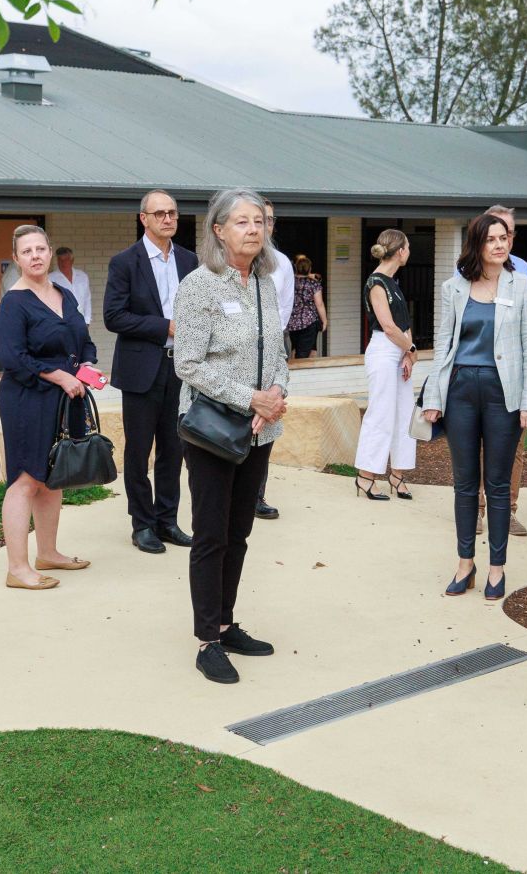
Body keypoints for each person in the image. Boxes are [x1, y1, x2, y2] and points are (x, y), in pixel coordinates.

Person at [175, 187, 290, 684]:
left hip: (259, 431)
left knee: (239, 533)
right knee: (211, 535)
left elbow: (280, 351)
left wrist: (276, 393)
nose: (252, 229)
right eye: (241, 222)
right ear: (218, 230)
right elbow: (187, 364)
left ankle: (226, 622)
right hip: (212, 431)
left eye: (258, 222)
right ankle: (206, 641)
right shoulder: (200, 285)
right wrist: (250, 398)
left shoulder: (266, 283)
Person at [422, 213, 527, 602]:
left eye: (504, 237)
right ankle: (464, 564)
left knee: (498, 484)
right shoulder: (453, 288)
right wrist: (433, 398)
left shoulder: (522, 287)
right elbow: (443, 346)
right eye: (491, 239)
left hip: (502, 392)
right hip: (460, 390)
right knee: (463, 483)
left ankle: (496, 569)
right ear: (477, 244)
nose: (499, 244)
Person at [0, 225, 96, 590]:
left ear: (50, 252)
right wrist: (59, 376)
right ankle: (17, 568)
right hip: (27, 397)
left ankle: (48, 552)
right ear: (18, 259)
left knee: (52, 476)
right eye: (27, 251)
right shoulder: (14, 302)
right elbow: (12, 357)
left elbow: (83, 338)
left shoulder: (64, 293)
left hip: (64, 396)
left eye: (41, 249)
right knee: (26, 480)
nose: (35, 256)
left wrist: (87, 369)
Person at [104, 190, 198, 555]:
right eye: (159, 213)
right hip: (142, 368)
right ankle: (142, 524)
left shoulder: (189, 260)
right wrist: (165, 327)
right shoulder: (124, 262)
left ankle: (167, 520)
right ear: (143, 218)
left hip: (183, 368)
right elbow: (114, 316)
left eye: (172, 213)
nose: (167, 219)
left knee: (174, 449)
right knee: (139, 451)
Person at [474, 204, 527, 536]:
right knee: (479, 445)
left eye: (509, 233)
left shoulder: (524, 273)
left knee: (515, 448)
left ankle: (509, 510)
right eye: (496, 234)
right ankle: (478, 509)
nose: (503, 241)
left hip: (513, 376)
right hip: (478, 375)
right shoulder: (465, 274)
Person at [354, 229, 418, 501]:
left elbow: (404, 324)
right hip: (383, 350)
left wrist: (408, 354)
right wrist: (411, 348)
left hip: (399, 350)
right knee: (380, 413)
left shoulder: (394, 283)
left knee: (405, 413)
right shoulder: (376, 283)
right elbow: (389, 327)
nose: (409, 251)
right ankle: (366, 477)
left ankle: (398, 474)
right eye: (408, 247)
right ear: (401, 251)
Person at [254, 199, 295, 520]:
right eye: (257, 219)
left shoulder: (282, 263)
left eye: (268, 219)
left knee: (266, 423)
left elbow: (284, 310)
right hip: (236, 353)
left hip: (271, 350)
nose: (263, 225)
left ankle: (257, 494)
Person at [287, 254, 328, 359]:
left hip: (292, 322)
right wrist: (324, 320)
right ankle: (302, 373)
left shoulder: (290, 282)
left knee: (295, 348)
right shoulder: (313, 284)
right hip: (309, 322)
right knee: (303, 354)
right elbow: (319, 304)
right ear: (309, 269)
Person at [47, 246, 92, 326]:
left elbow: (87, 299)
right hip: (61, 323)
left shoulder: (82, 276)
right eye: (60, 260)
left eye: (66, 260)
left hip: (81, 321)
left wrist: (87, 321)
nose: (62, 263)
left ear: (72, 260)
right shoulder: (50, 278)